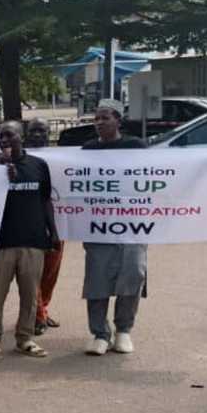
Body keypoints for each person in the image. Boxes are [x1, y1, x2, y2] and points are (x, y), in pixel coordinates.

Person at [0, 121, 59, 360]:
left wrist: (52, 232)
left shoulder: (38, 165)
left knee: (30, 295)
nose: (4, 140)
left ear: (21, 137)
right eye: (0, 136)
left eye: (9, 135)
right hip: (0, 242)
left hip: (33, 240)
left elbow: (46, 200)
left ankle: (25, 338)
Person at [82, 100, 147, 356]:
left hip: (132, 225)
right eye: (96, 118)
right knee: (97, 280)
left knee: (133, 275)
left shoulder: (136, 146)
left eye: (105, 118)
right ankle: (100, 333)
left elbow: (165, 172)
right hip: (99, 226)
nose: (99, 123)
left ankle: (123, 331)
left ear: (118, 120)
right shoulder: (87, 150)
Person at [25, 118, 64, 336]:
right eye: (33, 130)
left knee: (50, 273)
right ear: (26, 133)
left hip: (58, 223)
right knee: (32, 273)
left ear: (49, 133)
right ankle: (37, 315)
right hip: (29, 224)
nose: (38, 134)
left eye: (42, 130)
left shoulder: (63, 157)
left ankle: (43, 309)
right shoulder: (20, 156)